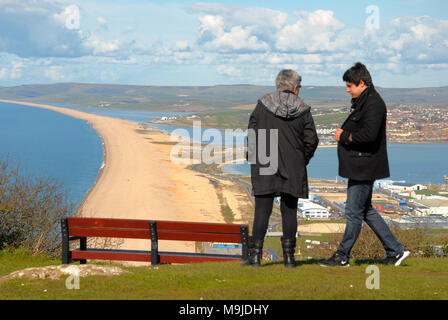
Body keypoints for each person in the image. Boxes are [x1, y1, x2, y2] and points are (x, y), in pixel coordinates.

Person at [320, 62, 410, 267]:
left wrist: (344, 136)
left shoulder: (373, 104)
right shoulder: (365, 101)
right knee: (365, 210)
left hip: (364, 166)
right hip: (360, 165)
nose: (347, 89)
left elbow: (369, 136)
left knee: (353, 212)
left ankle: (342, 256)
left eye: (350, 85)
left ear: (362, 83)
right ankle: (395, 251)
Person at [244, 69, 319, 268]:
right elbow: (311, 140)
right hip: (292, 167)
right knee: (289, 212)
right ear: (295, 87)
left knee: (262, 212)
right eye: (299, 87)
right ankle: (289, 259)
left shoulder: (262, 105)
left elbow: (252, 135)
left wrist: (255, 161)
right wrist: (302, 160)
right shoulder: (303, 109)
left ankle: (254, 258)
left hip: (264, 164)